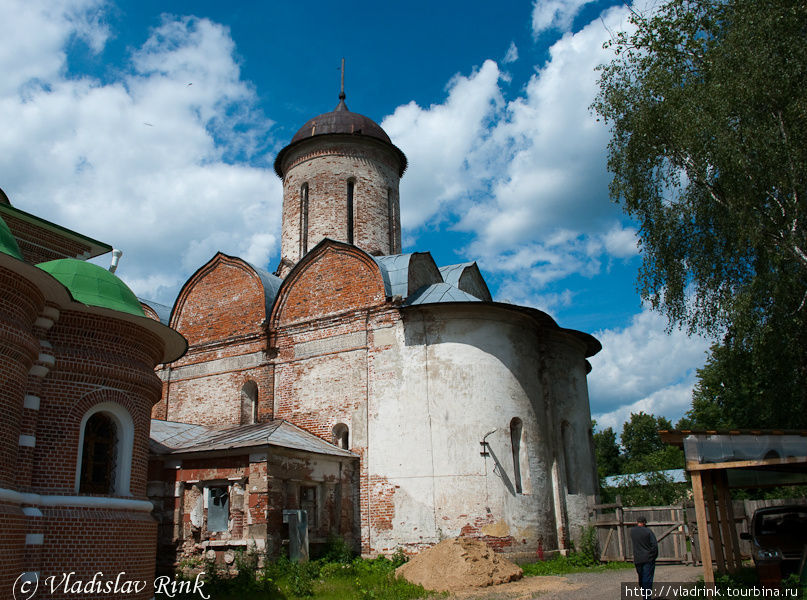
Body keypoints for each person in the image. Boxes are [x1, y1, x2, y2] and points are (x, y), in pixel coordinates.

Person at [631, 515, 658, 598]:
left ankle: (644, 593)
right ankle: (647, 597)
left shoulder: (632, 531)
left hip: (637, 558)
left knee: (641, 577)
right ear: (644, 523)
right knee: (647, 579)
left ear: (637, 522)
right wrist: (654, 556)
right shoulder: (648, 531)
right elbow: (654, 545)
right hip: (648, 558)